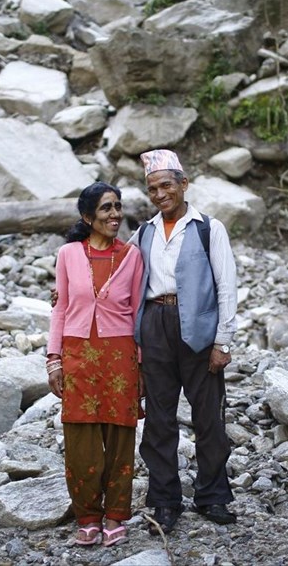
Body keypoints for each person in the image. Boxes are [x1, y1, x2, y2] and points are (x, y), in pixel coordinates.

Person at [133, 148, 239, 535]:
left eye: (165, 185)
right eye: (152, 189)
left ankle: (213, 495)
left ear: (183, 184)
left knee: (208, 416)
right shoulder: (143, 232)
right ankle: (164, 501)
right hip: (155, 325)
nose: (159, 194)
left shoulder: (208, 228)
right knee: (159, 420)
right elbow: (121, 276)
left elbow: (226, 286)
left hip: (198, 326)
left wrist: (223, 341)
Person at [47, 181, 144, 548]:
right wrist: (53, 359)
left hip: (120, 355)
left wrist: (143, 365)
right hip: (78, 351)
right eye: (106, 209)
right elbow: (61, 309)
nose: (115, 215)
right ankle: (87, 516)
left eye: (117, 207)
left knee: (120, 435)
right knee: (80, 435)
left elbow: (137, 313)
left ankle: (116, 515)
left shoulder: (132, 256)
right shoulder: (68, 254)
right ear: (88, 216)